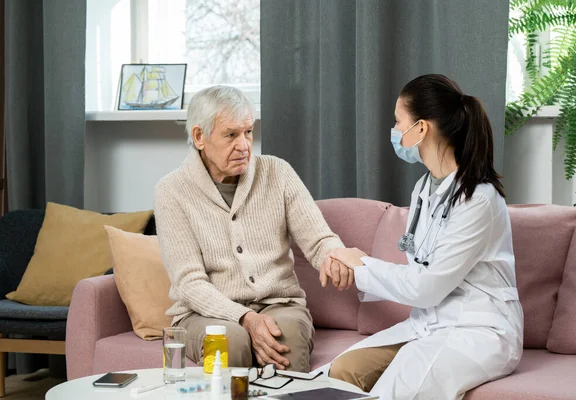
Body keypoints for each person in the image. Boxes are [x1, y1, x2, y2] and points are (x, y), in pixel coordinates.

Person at [324, 74, 524, 399]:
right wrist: (356, 266)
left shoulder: (478, 200)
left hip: (479, 330)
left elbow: (425, 287)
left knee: (396, 390)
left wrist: (359, 263)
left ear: (420, 128)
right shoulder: (423, 189)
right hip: (429, 324)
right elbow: (420, 274)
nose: (394, 131)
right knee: (338, 373)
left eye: (397, 121)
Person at [154, 86, 350, 373]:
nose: (244, 145)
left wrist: (334, 258)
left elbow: (320, 240)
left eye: (248, 132)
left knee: (285, 340)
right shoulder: (171, 191)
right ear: (199, 137)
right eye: (231, 135)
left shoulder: (277, 172)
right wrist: (244, 317)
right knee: (229, 342)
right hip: (202, 314)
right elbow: (188, 282)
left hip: (279, 303)